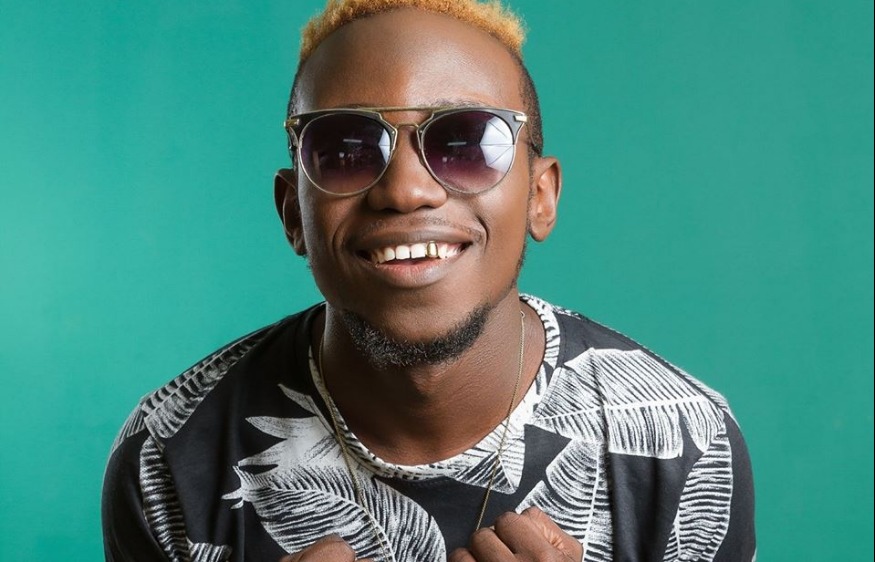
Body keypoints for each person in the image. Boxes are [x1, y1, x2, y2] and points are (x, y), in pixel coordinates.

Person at [102, 1, 756, 560]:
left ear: (540, 196)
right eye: (346, 149)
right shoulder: (167, 458)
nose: (406, 189)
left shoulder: (684, 445)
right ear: (292, 214)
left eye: (467, 143)